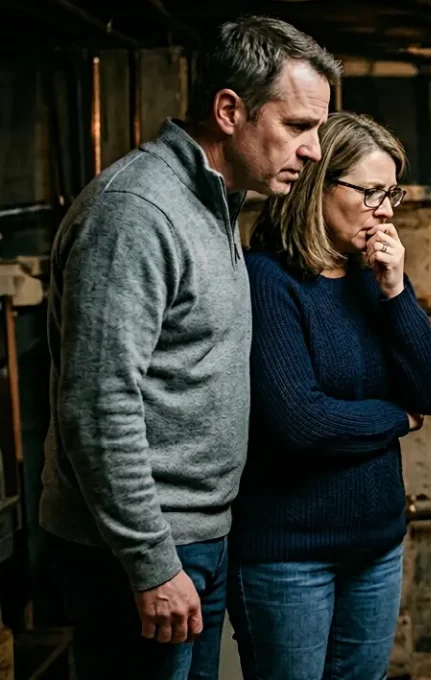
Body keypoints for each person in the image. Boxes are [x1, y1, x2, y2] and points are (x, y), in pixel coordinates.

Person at [40, 15, 339, 679]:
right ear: (229, 110)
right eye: (298, 126)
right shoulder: (138, 212)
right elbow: (97, 403)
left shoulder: (213, 203)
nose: (315, 150)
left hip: (193, 539)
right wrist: (150, 562)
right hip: (137, 550)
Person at [228, 111, 431, 679]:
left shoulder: (370, 276)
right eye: (371, 191)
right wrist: (396, 420)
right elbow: (300, 423)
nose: (386, 209)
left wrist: (396, 290)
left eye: (391, 192)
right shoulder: (267, 280)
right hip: (289, 553)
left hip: (376, 544)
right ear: (317, 183)